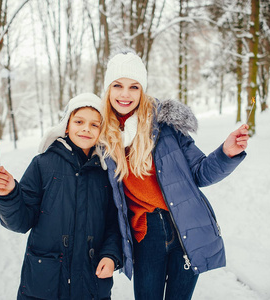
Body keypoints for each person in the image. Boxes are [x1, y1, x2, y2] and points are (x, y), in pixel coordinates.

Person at [98, 49, 249, 300]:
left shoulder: (165, 125)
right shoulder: (100, 135)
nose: (125, 94)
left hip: (184, 227)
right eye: (118, 85)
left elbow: (200, 173)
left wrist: (226, 153)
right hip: (146, 235)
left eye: (134, 87)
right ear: (108, 88)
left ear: (142, 89)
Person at [0, 93, 122, 300]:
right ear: (67, 125)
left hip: (91, 284)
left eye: (94, 124)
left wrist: (111, 255)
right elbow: (20, 222)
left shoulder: (106, 172)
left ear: (101, 130)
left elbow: (114, 225)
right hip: (45, 283)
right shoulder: (43, 164)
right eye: (79, 121)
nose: (86, 128)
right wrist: (9, 195)